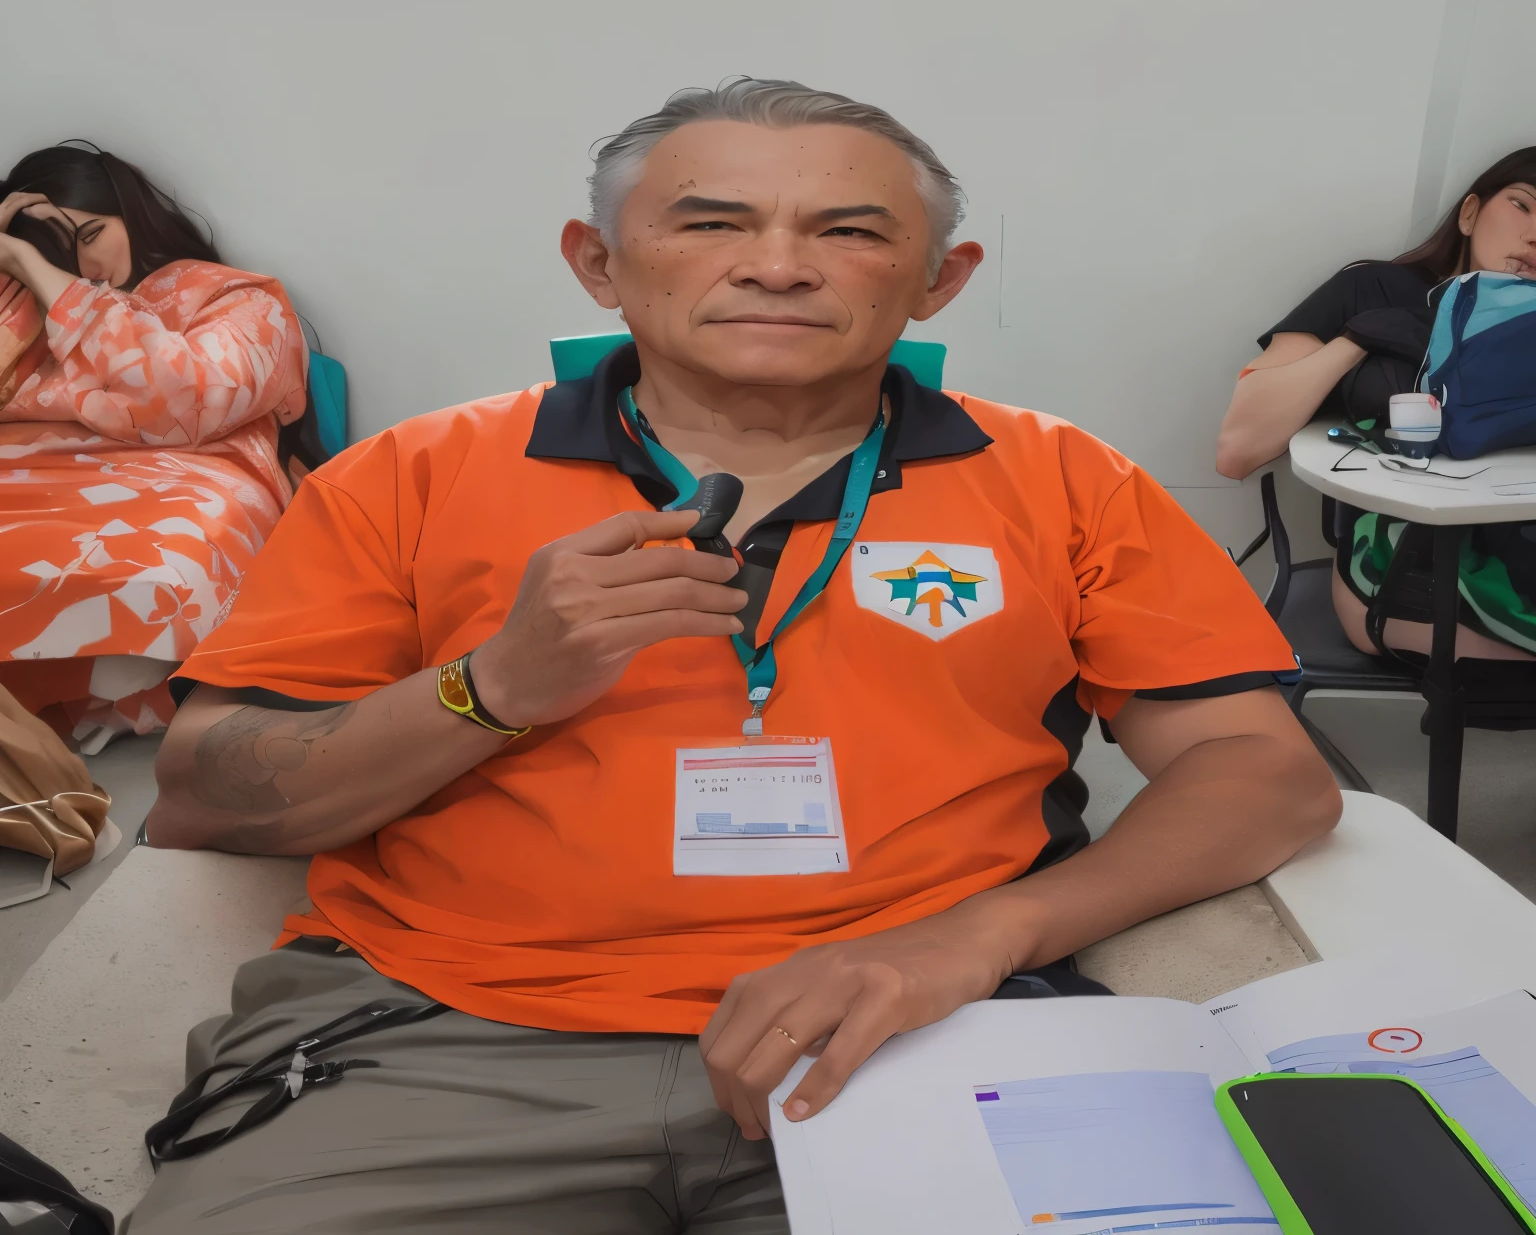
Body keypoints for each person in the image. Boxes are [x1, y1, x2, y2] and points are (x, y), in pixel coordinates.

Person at [133, 80, 1340, 1235]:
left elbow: (1267, 774)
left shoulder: (1068, 482)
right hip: (446, 1035)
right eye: (711, 222)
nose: (776, 264)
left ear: (939, 280)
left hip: (914, 1023)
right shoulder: (409, 477)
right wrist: (491, 687)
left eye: (851, 230)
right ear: (597, 262)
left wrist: (981, 938)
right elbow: (205, 790)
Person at [0, 143, 308, 742]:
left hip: (173, 474)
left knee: (167, 568)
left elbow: (184, 401)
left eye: (92, 233)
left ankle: (78, 693)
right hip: (23, 476)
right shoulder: (17, 313)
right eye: (61, 251)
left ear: (130, 211)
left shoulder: (235, 298)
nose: (86, 266)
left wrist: (49, 278)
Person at [1216, 145, 1536, 660]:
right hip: (1405, 569)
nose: (1533, 235)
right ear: (1471, 212)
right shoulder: (1374, 288)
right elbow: (1238, 448)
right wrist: (1358, 339)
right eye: (1522, 205)